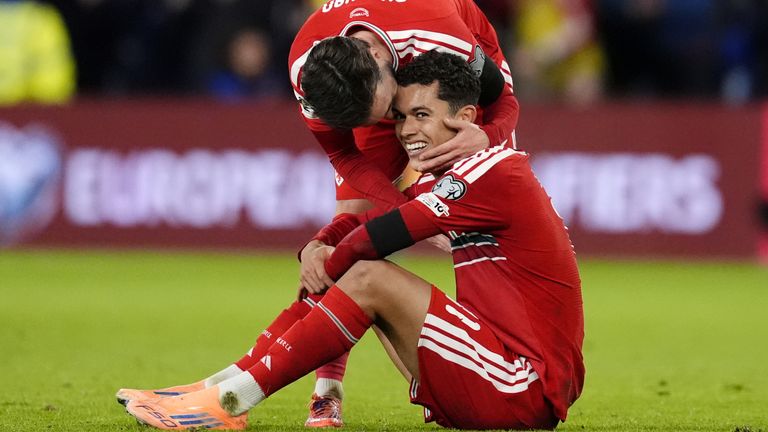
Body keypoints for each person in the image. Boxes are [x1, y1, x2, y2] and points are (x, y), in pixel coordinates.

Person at [123, 50, 584, 431]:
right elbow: (374, 218)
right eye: (401, 116)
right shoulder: (452, 177)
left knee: (367, 273)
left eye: (422, 115)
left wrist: (330, 258)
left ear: (465, 118)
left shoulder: (493, 169)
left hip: (521, 383)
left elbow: (381, 235)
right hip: (496, 370)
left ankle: (229, 401)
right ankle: (219, 391)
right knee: (358, 270)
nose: (406, 131)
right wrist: (318, 245)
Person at [0, 0, 76, 105]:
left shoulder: (41, 20)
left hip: (26, 113)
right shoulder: (42, 19)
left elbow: (53, 88)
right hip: (24, 113)